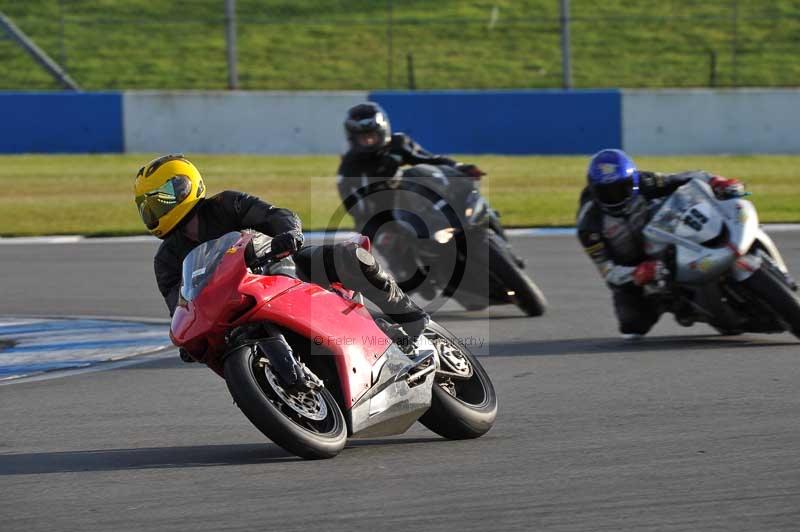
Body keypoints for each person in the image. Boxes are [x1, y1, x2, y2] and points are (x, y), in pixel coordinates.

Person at [134, 154, 429, 360]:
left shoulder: (226, 203)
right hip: (232, 310)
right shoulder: (166, 260)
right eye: (148, 206)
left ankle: (413, 320)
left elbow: (276, 215)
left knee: (352, 258)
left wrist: (288, 234)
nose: (155, 210)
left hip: (282, 269)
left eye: (159, 200)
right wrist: (189, 338)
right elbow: (180, 306)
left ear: (183, 186)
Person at [576, 149, 745, 338]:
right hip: (633, 269)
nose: (615, 197)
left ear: (633, 182)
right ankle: (676, 304)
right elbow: (608, 271)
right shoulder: (589, 226)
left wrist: (717, 181)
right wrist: (636, 273)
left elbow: (688, 178)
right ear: (593, 190)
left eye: (621, 188)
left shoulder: (645, 181)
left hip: (663, 239)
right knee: (632, 325)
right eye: (606, 193)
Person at [336, 101, 484, 238]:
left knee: (414, 176)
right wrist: (378, 191)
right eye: (363, 138)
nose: (368, 141)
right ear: (353, 138)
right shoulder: (349, 167)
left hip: (410, 203)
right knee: (383, 241)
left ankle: (457, 222)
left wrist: (458, 167)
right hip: (379, 216)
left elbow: (430, 159)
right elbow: (355, 206)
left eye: (371, 136)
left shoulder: (398, 143)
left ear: (381, 131)